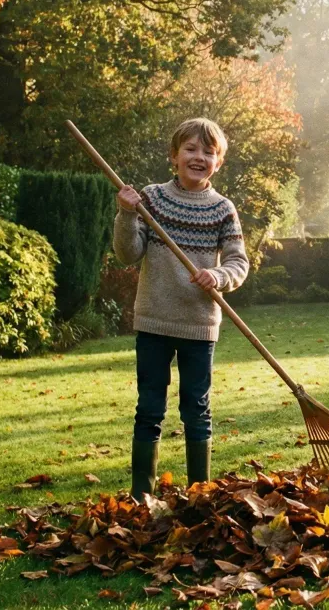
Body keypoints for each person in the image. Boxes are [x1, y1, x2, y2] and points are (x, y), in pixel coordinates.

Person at [112, 118, 249, 499]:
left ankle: (199, 495)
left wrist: (218, 276)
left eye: (208, 152)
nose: (199, 157)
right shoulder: (150, 199)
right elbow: (128, 254)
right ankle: (142, 497)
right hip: (155, 320)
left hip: (198, 325)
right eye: (190, 149)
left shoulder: (223, 209)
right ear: (174, 156)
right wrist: (126, 214)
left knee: (196, 411)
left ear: (218, 163)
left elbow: (239, 263)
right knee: (150, 409)